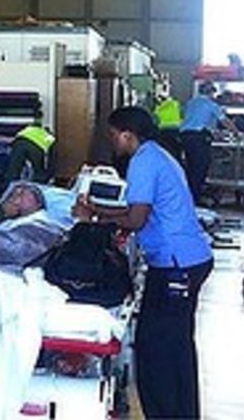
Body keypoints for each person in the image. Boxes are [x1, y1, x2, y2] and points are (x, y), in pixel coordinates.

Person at [74, 106, 213, 420]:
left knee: (156, 346)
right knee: (175, 343)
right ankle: (181, 413)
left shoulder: (143, 161)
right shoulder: (158, 155)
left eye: (113, 135)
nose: (112, 142)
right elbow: (137, 208)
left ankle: (165, 413)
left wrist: (93, 216)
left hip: (176, 263)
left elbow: (137, 218)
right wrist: (101, 210)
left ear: (127, 134)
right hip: (187, 259)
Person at [179, 81, 236, 204]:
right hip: (198, 138)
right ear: (211, 92)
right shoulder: (211, 105)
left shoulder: (191, 103)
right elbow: (225, 121)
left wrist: (214, 132)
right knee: (200, 169)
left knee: (190, 168)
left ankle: (187, 197)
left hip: (185, 137)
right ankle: (194, 199)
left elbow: (193, 120)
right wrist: (237, 132)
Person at [153, 81, 183, 162]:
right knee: (176, 152)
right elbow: (183, 115)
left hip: (163, 132)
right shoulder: (176, 104)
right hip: (175, 131)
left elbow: (155, 121)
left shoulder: (158, 109)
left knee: (165, 152)